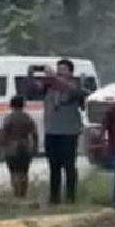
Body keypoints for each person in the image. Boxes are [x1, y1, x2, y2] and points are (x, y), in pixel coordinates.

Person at [24, 59, 90, 205]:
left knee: (69, 166)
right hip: (51, 131)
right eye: (58, 69)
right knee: (54, 167)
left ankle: (70, 197)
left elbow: (71, 91)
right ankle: (54, 198)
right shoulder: (49, 86)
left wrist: (53, 77)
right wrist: (30, 75)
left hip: (68, 132)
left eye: (64, 69)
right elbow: (33, 89)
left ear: (70, 72)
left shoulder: (74, 84)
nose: (60, 72)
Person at [0, 95, 38, 198]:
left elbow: (4, 133)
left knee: (14, 172)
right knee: (24, 172)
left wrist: (2, 145)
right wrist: (35, 147)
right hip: (25, 146)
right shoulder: (27, 118)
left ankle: (16, 194)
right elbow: (34, 134)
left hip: (12, 147)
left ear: (11, 105)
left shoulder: (9, 118)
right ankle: (23, 194)